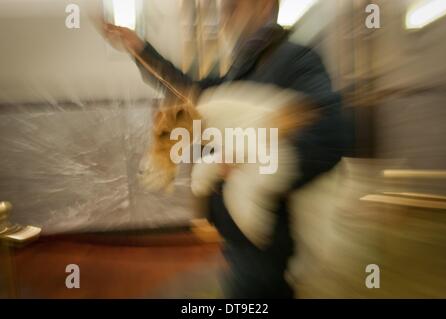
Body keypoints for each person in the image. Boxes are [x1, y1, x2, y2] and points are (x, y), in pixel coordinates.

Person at [103, 0, 350, 298]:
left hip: (265, 238)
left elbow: (331, 132)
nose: (223, 17)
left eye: (232, 7)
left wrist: (255, 168)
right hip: (239, 236)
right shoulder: (239, 70)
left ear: (263, 6)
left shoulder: (295, 59)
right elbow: (189, 93)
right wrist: (140, 49)